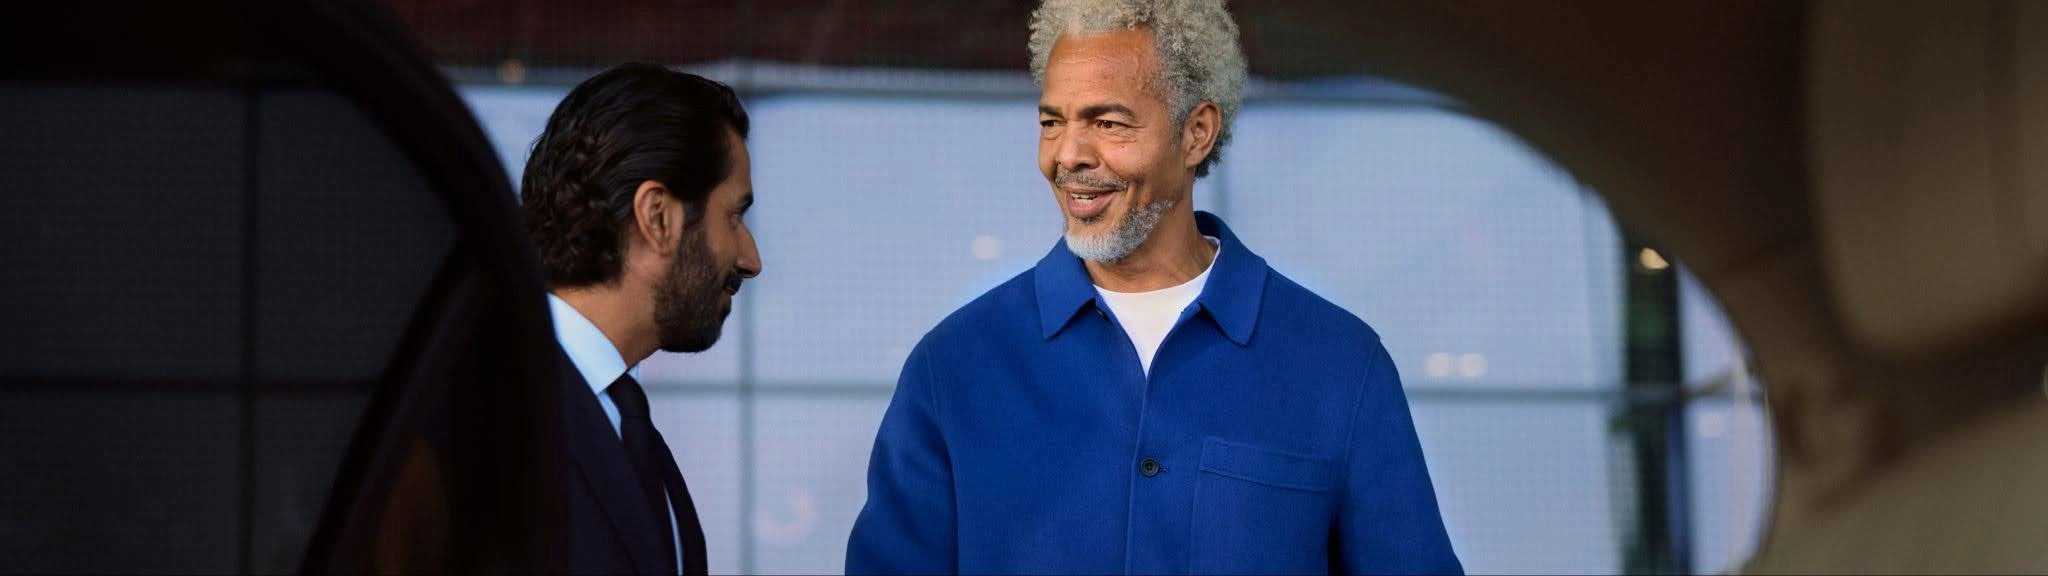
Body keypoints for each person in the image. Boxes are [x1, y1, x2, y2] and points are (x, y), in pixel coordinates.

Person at [845, 2, 1460, 574]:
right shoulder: (953, 367)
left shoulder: (1340, 366)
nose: (1068, 155)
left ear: (1196, 133)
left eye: (1108, 122)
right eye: (1052, 121)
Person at [522, 62, 760, 575]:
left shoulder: (626, 424)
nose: (751, 258)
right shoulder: (489, 412)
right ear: (657, 217)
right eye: (734, 216)